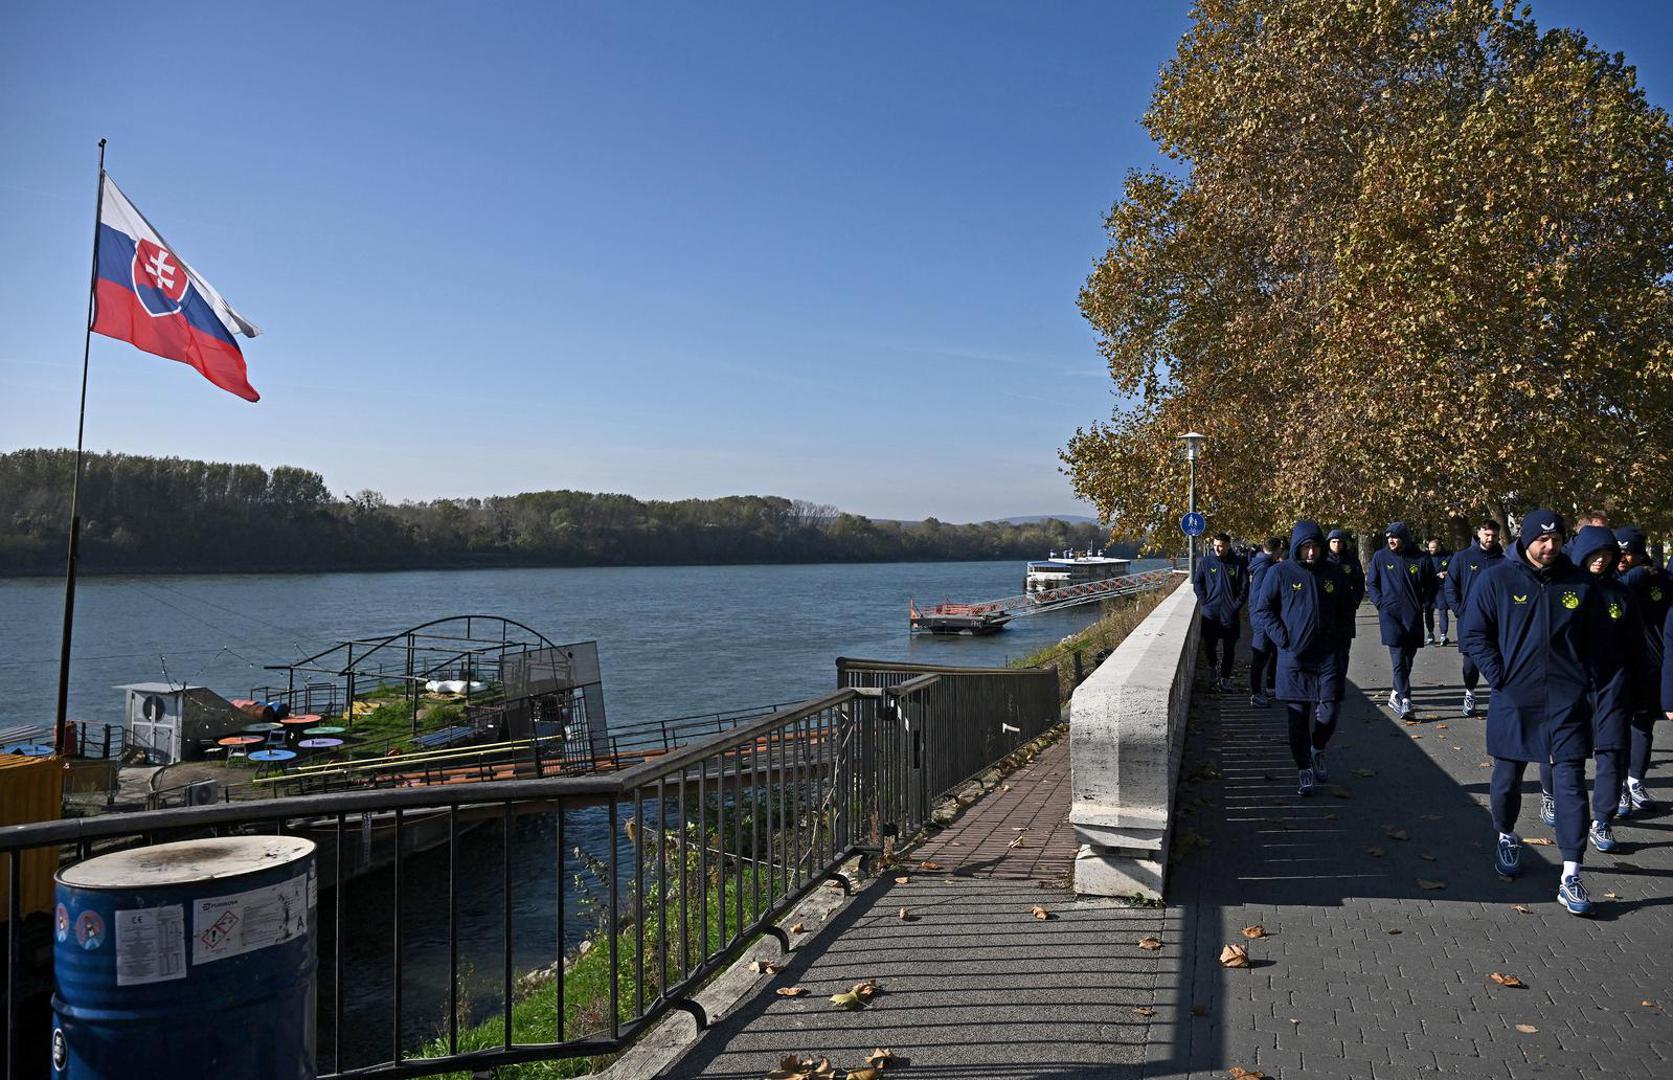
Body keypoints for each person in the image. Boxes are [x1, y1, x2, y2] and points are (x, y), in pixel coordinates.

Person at [1461, 509, 1599, 915]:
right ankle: (1505, 835)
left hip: (1567, 702)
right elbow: (1473, 632)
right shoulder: (1497, 578)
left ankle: (1571, 873)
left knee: (1571, 783)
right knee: (1507, 780)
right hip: (1514, 699)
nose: (1551, 546)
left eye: (1557, 539)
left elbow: (1597, 639)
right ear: (1525, 540)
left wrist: (1584, 681)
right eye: (1543, 540)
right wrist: (1499, 676)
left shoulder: (1579, 582)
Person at [1535, 526, 1637, 852]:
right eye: (1596, 553)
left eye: (1608, 555)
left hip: (1611, 684)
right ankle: (1551, 797)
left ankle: (1603, 820)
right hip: (1569, 684)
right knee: (1561, 751)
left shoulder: (1621, 595)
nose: (1602, 560)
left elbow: (1634, 644)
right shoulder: (1565, 586)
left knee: (1612, 750)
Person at [1250, 521, 1351, 796]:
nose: (1311, 553)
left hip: (1328, 656)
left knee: (1329, 713)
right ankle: (1303, 767)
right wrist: (1284, 640)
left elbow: (1346, 612)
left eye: (1315, 547)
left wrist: (1343, 646)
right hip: (1294, 658)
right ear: (1297, 547)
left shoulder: (1334, 574)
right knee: (1297, 718)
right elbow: (1263, 610)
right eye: (1306, 548)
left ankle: (1317, 747)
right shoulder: (1280, 573)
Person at [1616, 526, 1671, 813]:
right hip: (1619, 666)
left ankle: (1635, 780)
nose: (1623, 557)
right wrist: (1637, 574)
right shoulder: (1611, 578)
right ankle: (1620, 787)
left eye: (1629, 552)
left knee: (1643, 726)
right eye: (1620, 551)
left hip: (1652, 666)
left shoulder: (1660, 579)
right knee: (1620, 728)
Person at [1366, 522, 1429, 719]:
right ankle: (1406, 699)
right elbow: (1372, 582)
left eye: (1395, 537)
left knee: (1408, 658)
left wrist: (1425, 604)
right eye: (1388, 538)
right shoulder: (1380, 557)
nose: (1391, 541)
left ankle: (1395, 693)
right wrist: (1379, 603)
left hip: (1413, 615)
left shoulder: (1420, 558)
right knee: (1398, 657)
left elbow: (1431, 585)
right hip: (1390, 615)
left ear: (1404, 538)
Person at [1445, 520, 1505, 716]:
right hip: (1470, 621)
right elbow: (1450, 586)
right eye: (1487, 534)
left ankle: (1500, 698)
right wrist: (1460, 609)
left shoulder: (1504, 560)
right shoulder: (1462, 557)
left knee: (1498, 661)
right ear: (1478, 533)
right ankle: (1470, 692)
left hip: (1497, 622)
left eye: (1494, 536)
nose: (1490, 539)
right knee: (1470, 665)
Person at [1192, 533, 1245, 692]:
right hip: (1210, 614)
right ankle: (1212, 668)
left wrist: (1235, 607)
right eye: (1215, 545)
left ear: (1228, 546)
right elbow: (1198, 583)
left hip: (1230, 614)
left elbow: (1244, 589)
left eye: (1220, 545)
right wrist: (1204, 601)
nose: (1217, 548)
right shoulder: (1206, 562)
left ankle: (1225, 678)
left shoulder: (1238, 564)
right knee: (1210, 645)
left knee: (1230, 648)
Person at [1246, 537, 1285, 707]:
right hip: (1264, 619)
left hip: (1263, 618)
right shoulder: (1266, 568)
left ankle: (1270, 686)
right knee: (1260, 657)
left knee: (1272, 653)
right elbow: (1261, 598)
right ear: (1278, 550)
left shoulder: (1261, 565)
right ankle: (1256, 693)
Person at [1421, 537, 1452, 645]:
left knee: (1443, 610)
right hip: (1429, 588)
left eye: (1432, 548)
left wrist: (1446, 573)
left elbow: (1455, 570)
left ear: (1439, 547)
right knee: (1428, 611)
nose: (1430, 550)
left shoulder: (1448, 556)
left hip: (1442, 588)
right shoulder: (1425, 557)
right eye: (1429, 548)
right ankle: (1430, 633)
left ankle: (1444, 635)